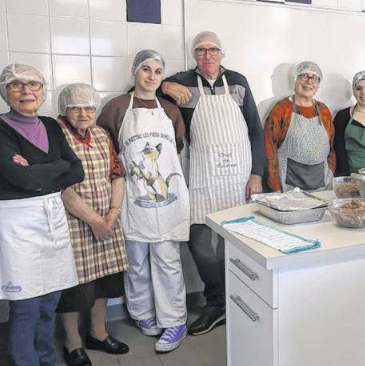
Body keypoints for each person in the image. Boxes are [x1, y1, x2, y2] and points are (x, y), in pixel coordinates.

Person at [159, 31, 266, 335]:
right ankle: (217, 302)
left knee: (244, 241)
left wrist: (257, 173)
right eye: (201, 50)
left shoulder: (237, 80)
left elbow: (255, 130)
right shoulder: (182, 80)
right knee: (201, 244)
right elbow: (143, 88)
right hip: (203, 174)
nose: (207, 55)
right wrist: (166, 85)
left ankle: (245, 296)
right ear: (194, 55)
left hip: (240, 175)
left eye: (213, 50)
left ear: (222, 53)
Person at [97, 50, 190, 352]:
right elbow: (106, 152)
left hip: (165, 200)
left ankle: (174, 320)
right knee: (135, 261)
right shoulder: (116, 107)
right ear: (133, 71)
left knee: (167, 259)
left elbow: (174, 153)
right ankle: (141, 314)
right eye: (146, 69)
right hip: (131, 197)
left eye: (158, 71)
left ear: (163, 76)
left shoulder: (170, 111)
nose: (151, 76)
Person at [0, 64, 84, 366]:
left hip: (52, 218)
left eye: (33, 85)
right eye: (17, 85)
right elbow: (21, 179)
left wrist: (37, 171)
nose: (26, 92)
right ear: (5, 91)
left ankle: (47, 358)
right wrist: (54, 167)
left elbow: (77, 170)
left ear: (43, 90)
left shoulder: (50, 125)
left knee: (50, 301)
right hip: (17, 224)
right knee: (26, 305)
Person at [56, 83, 129, 366]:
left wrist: (112, 213)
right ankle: (72, 343)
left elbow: (117, 175)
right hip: (74, 223)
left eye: (89, 107)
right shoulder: (56, 136)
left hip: (108, 220)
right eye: (75, 108)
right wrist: (95, 221)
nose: (83, 113)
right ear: (65, 110)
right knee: (75, 289)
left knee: (105, 283)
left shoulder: (101, 134)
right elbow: (61, 187)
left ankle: (98, 333)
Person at [264, 61, 336, 191]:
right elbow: (269, 150)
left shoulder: (324, 111)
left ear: (319, 84)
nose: (309, 81)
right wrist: (276, 188)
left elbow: (331, 150)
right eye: (304, 76)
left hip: (322, 187)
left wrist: (330, 174)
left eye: (314, 78)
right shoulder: (281, 109)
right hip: (288, 188)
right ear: (295, 80)